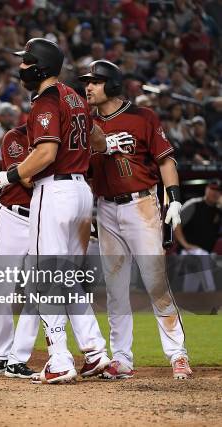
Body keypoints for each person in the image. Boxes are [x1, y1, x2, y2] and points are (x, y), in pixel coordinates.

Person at [0, 39, 115, 384]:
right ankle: (96, 351)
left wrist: (4, 176)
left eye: (25, 62)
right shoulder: (74, 95)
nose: (21, 68)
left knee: (44, 277)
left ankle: (58, 357)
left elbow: (45, 154)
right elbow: (97, 139)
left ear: (39, 67)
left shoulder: (46, 101)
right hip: (82, 192)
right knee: (66, 279)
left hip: (54, 191)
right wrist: (109, 145)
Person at [80, 60, 192, 379]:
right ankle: (122, 359)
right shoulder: (85, 124)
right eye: (87, 81)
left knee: (156, 282)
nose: (88, 87)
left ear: (112, 85)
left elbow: (166, 160)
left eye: (96, 82)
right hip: (105, 207)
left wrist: (174, 198)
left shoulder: (142, 117)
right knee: (115, 288)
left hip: (140, 203)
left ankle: (178, 355)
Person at [0, 124, 39, 379]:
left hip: (42, 217)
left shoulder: (60, 140)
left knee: (37, 289)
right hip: (12, 215)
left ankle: (18, 358)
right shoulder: (15, 137)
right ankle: (1, 355)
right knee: (2, 287)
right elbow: (25, 177)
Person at [174, 179, 221, 293]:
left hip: (203, 252)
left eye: (218, 191)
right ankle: (212, 297)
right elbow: (175, 222)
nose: (214, 193)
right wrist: (184, 244)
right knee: (202, 257)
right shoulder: (194, 204)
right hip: (187, 251)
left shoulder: (218, 211)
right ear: (206, 189)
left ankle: (187, 306)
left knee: (190, 289)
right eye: (212, 189)